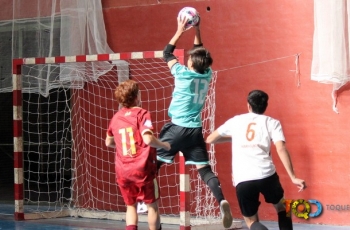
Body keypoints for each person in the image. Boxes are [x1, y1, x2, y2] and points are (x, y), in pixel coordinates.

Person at [156, 16, 233, 228]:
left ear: (190, 63)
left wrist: (181, 30)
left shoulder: (182, 74)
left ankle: (145, 203)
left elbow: (166, 53)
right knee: (204, 170)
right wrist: (197, 30)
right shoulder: (206, 74)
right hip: (195, 131)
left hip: (177, 128)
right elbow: (200, 53)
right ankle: (222, 200)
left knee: (152, 164)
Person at [206, 90, 307, 230]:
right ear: (266, 106)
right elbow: (281, 148)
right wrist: (293, 177)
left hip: (243, 179)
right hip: (267, 175)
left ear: (248, 105)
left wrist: (235, 137)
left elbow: (210, 139)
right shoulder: (272, 122)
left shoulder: (236, 121)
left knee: (251, 221)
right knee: (284, 207)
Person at [105, 80, 170, 230]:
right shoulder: (142, 113)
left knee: (130, 206)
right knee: (152, 206)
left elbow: (108, 142)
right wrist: (164, 145)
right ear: (136, 96)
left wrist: (123, 145)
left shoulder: (115, 118)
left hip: (123, 171)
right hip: (142, 170)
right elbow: (148, 139)